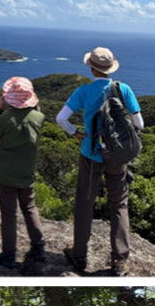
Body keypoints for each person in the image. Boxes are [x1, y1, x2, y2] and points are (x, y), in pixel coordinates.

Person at [57, 46, 144, 277]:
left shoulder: (83, 91)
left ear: (92, 67)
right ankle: (120, 261)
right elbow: (139, 124)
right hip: (117, 156)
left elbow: (61, 118)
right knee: (119, 205)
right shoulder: (123, 88)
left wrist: (75, 132)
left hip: (90, 153)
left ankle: (79, 255)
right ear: (110, 67)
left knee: (85, 203)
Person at [0, 76, 46, 271]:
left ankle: (9, 255)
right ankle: (39, 247)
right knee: (29, 207)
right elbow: (34, 111)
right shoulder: (38, 117)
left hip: (6, 172)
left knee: (9, 213)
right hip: (27, 171)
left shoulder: (5, 119)